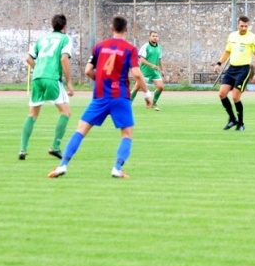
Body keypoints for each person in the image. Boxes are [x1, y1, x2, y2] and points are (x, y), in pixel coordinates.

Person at [48, 16, 152, 179]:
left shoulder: (99, 47)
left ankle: (62, 165)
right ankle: (117, 168)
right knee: (127, 134)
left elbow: (88, 70)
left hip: (100, 96)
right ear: (126, 29)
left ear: (111, 28)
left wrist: (101, 80)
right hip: (120, 96)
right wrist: (147, 94)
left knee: (80, 130)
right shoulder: (130, 49)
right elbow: (137, 74)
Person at [18, 14, 75, 160]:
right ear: (65, 27)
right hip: (52, 78)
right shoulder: (65, 38)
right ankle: (55, 147)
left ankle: (23, 149)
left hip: (37, 78)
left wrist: (38, 69)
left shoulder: (42, 39)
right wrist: (69, 82)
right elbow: (64, 58)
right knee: (66, 112)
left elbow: (28, 58)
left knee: (32, 114)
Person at [212, 15, 255, 131]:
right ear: (238, 25)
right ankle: (233, 119)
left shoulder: (252, 38)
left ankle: (241, 123)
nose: (244, 28)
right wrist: (219, 63)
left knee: (235, 97)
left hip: (244, 70)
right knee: (222, 94)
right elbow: (227, 51)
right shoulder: (232, 36)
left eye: (246, 26)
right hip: (231, 69)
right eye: (242, 26)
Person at [131, 30, 165, 111]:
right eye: (153, 36)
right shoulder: (146, 46)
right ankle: (127, 104)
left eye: (156, 36)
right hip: (145, 72)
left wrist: (162, 70)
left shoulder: (159, 47)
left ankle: (154, 103)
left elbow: (160, 59)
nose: (155, 38)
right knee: (136, 87)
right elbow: (142, 59)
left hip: (155, 72)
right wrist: (151, 65)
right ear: (149, 37)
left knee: (160, 87)